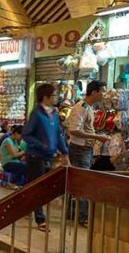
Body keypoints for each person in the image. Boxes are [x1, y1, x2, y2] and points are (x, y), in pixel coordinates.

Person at [23, 83, 70, 230]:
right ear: (46, 97)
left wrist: (65, 152)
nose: (57, 97)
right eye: (54, 95)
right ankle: (40, 218)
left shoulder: (54, 115)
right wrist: (42, 145)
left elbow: (58, 134)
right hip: (35, 156)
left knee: (39, 186)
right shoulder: (36, 114)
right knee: (39, 187)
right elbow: (26, 134)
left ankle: (25, 204)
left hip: (49, 156)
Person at [66, 81, 109, 227]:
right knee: (83, 182)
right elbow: (73, 130)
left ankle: (72, 214)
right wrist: (97, 137)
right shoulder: (81, 108)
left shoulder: (89, 107)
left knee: (77, 182)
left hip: (85, 149)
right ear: (94, 92)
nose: (104, 93)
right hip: (79, 149)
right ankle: (83, 217)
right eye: (102, 91)